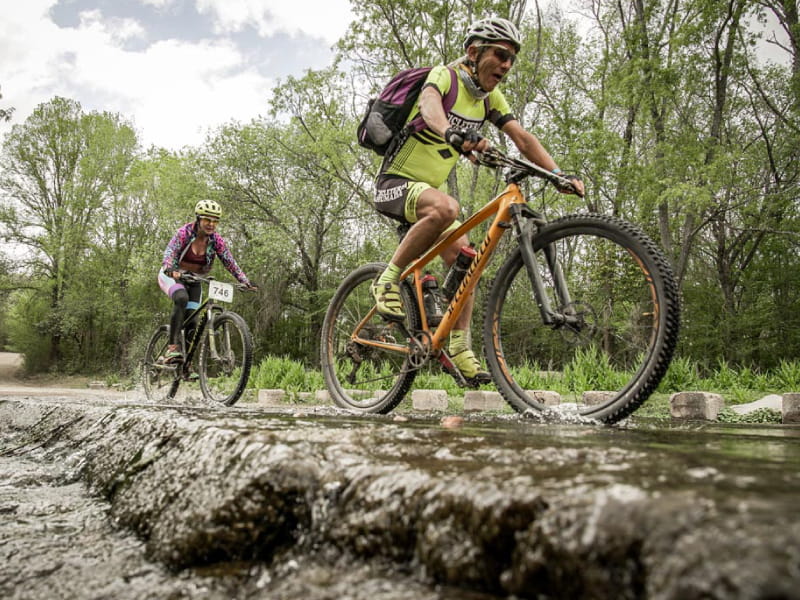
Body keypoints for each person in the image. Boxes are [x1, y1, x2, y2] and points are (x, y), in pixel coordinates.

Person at [371, 16, 585, 383]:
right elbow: (429, 106)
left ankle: (459, 346)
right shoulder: (446, 76)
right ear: (473, 52)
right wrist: (451, 131)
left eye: (512, 60)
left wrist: (558, 173)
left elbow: (522, 137)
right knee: (448, 206)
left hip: (429, 198)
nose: (506, 65)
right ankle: (387, 281)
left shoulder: (490, 99)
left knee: (468, 263)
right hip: (395, 184)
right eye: (500, 55)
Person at [157, 199, 257, 365]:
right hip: (172, 276)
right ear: (198, 219)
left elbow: (229, 261)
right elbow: (170, 252)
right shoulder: (185, 233)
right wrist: (169, 268)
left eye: (215, 221)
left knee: (193, 322)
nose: (211, 224)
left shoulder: (216, 240)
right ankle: (172, 348)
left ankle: (186, 367)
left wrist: (244, 281)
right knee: (181, 298)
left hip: (195, 279)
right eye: (207, 220)